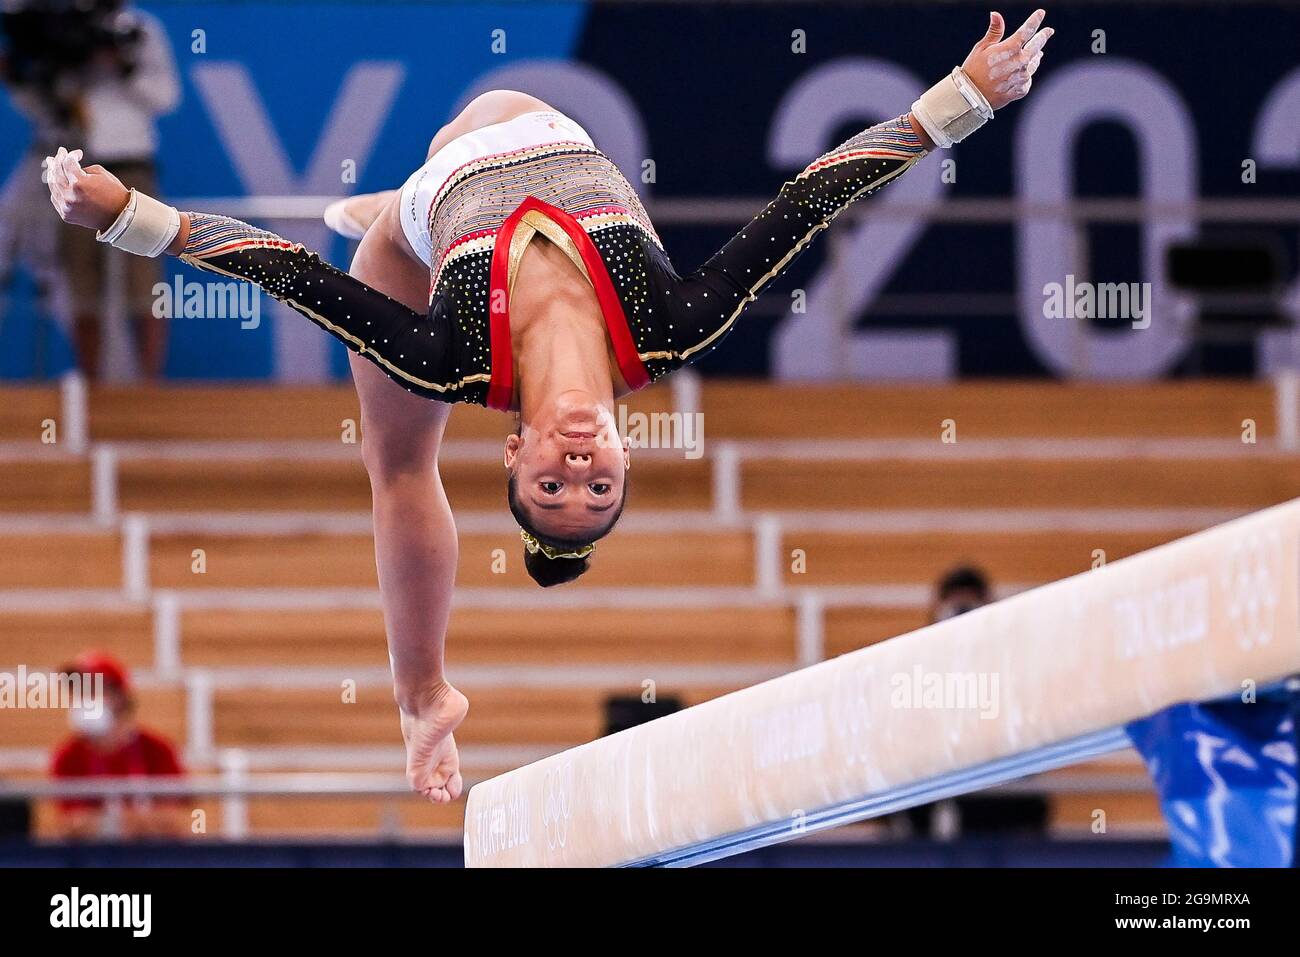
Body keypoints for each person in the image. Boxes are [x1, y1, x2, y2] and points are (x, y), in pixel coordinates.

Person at [42, 10, 1054, 805]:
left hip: (432, 224)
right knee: (396, 222)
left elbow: (280, 269)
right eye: (598, 480)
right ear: (624, 446)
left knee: (395, 459)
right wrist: (961, 99)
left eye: (551, 482)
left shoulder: (448, 358)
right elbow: (808, 202)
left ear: (515, 444)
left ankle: (422, 694)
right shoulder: (671, 326)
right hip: (536, 141)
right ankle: (388, 205)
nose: (576, 461)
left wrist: (121, 215)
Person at [48, 651, 187, 840]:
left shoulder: (157, 750)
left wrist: (102, 823)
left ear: (120, 696)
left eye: (92, 689)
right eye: (78, 691)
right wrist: (136, 822)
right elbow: (71, 825)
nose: (83, 698)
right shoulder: (68, 756)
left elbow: (174, 821)